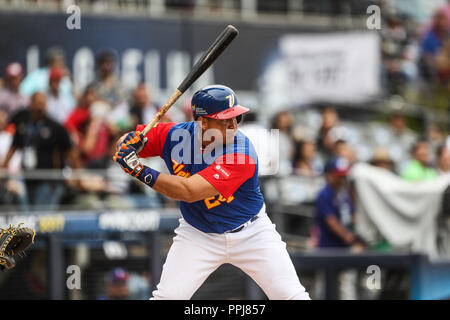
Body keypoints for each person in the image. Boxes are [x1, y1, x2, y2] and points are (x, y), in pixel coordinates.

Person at [113, 85, 310, 300]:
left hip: (251, 233)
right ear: (203, 122)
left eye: (235, 117)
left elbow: (188, 192)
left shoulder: (241, 153)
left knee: (293, 296)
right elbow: (123, 143)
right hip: (198, 233)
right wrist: (129, 143)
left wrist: (139, 169)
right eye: (225, 119)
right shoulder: (175, 134)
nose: (233, 125)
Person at [2, 92, 80, 209]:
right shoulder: (24, 125)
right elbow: (14, 147)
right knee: (28, 218)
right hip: (27, 179)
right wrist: (3, 167)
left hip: (48, 182)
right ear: (30, 104)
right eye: (38, 103)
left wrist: (78, 173)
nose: (40, 107)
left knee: (42, 218)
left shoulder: (55, 127)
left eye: (43, 104)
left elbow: (70, 151)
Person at [315, 157, 363, 250]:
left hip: (344, 248)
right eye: (339, 176)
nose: (342, 179)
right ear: (330, 175)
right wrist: (352, 239)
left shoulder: (345, 193)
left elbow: (353, 216)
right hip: (328, 249)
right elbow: (332, 222)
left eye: (344, 176)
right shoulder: (324, 194)